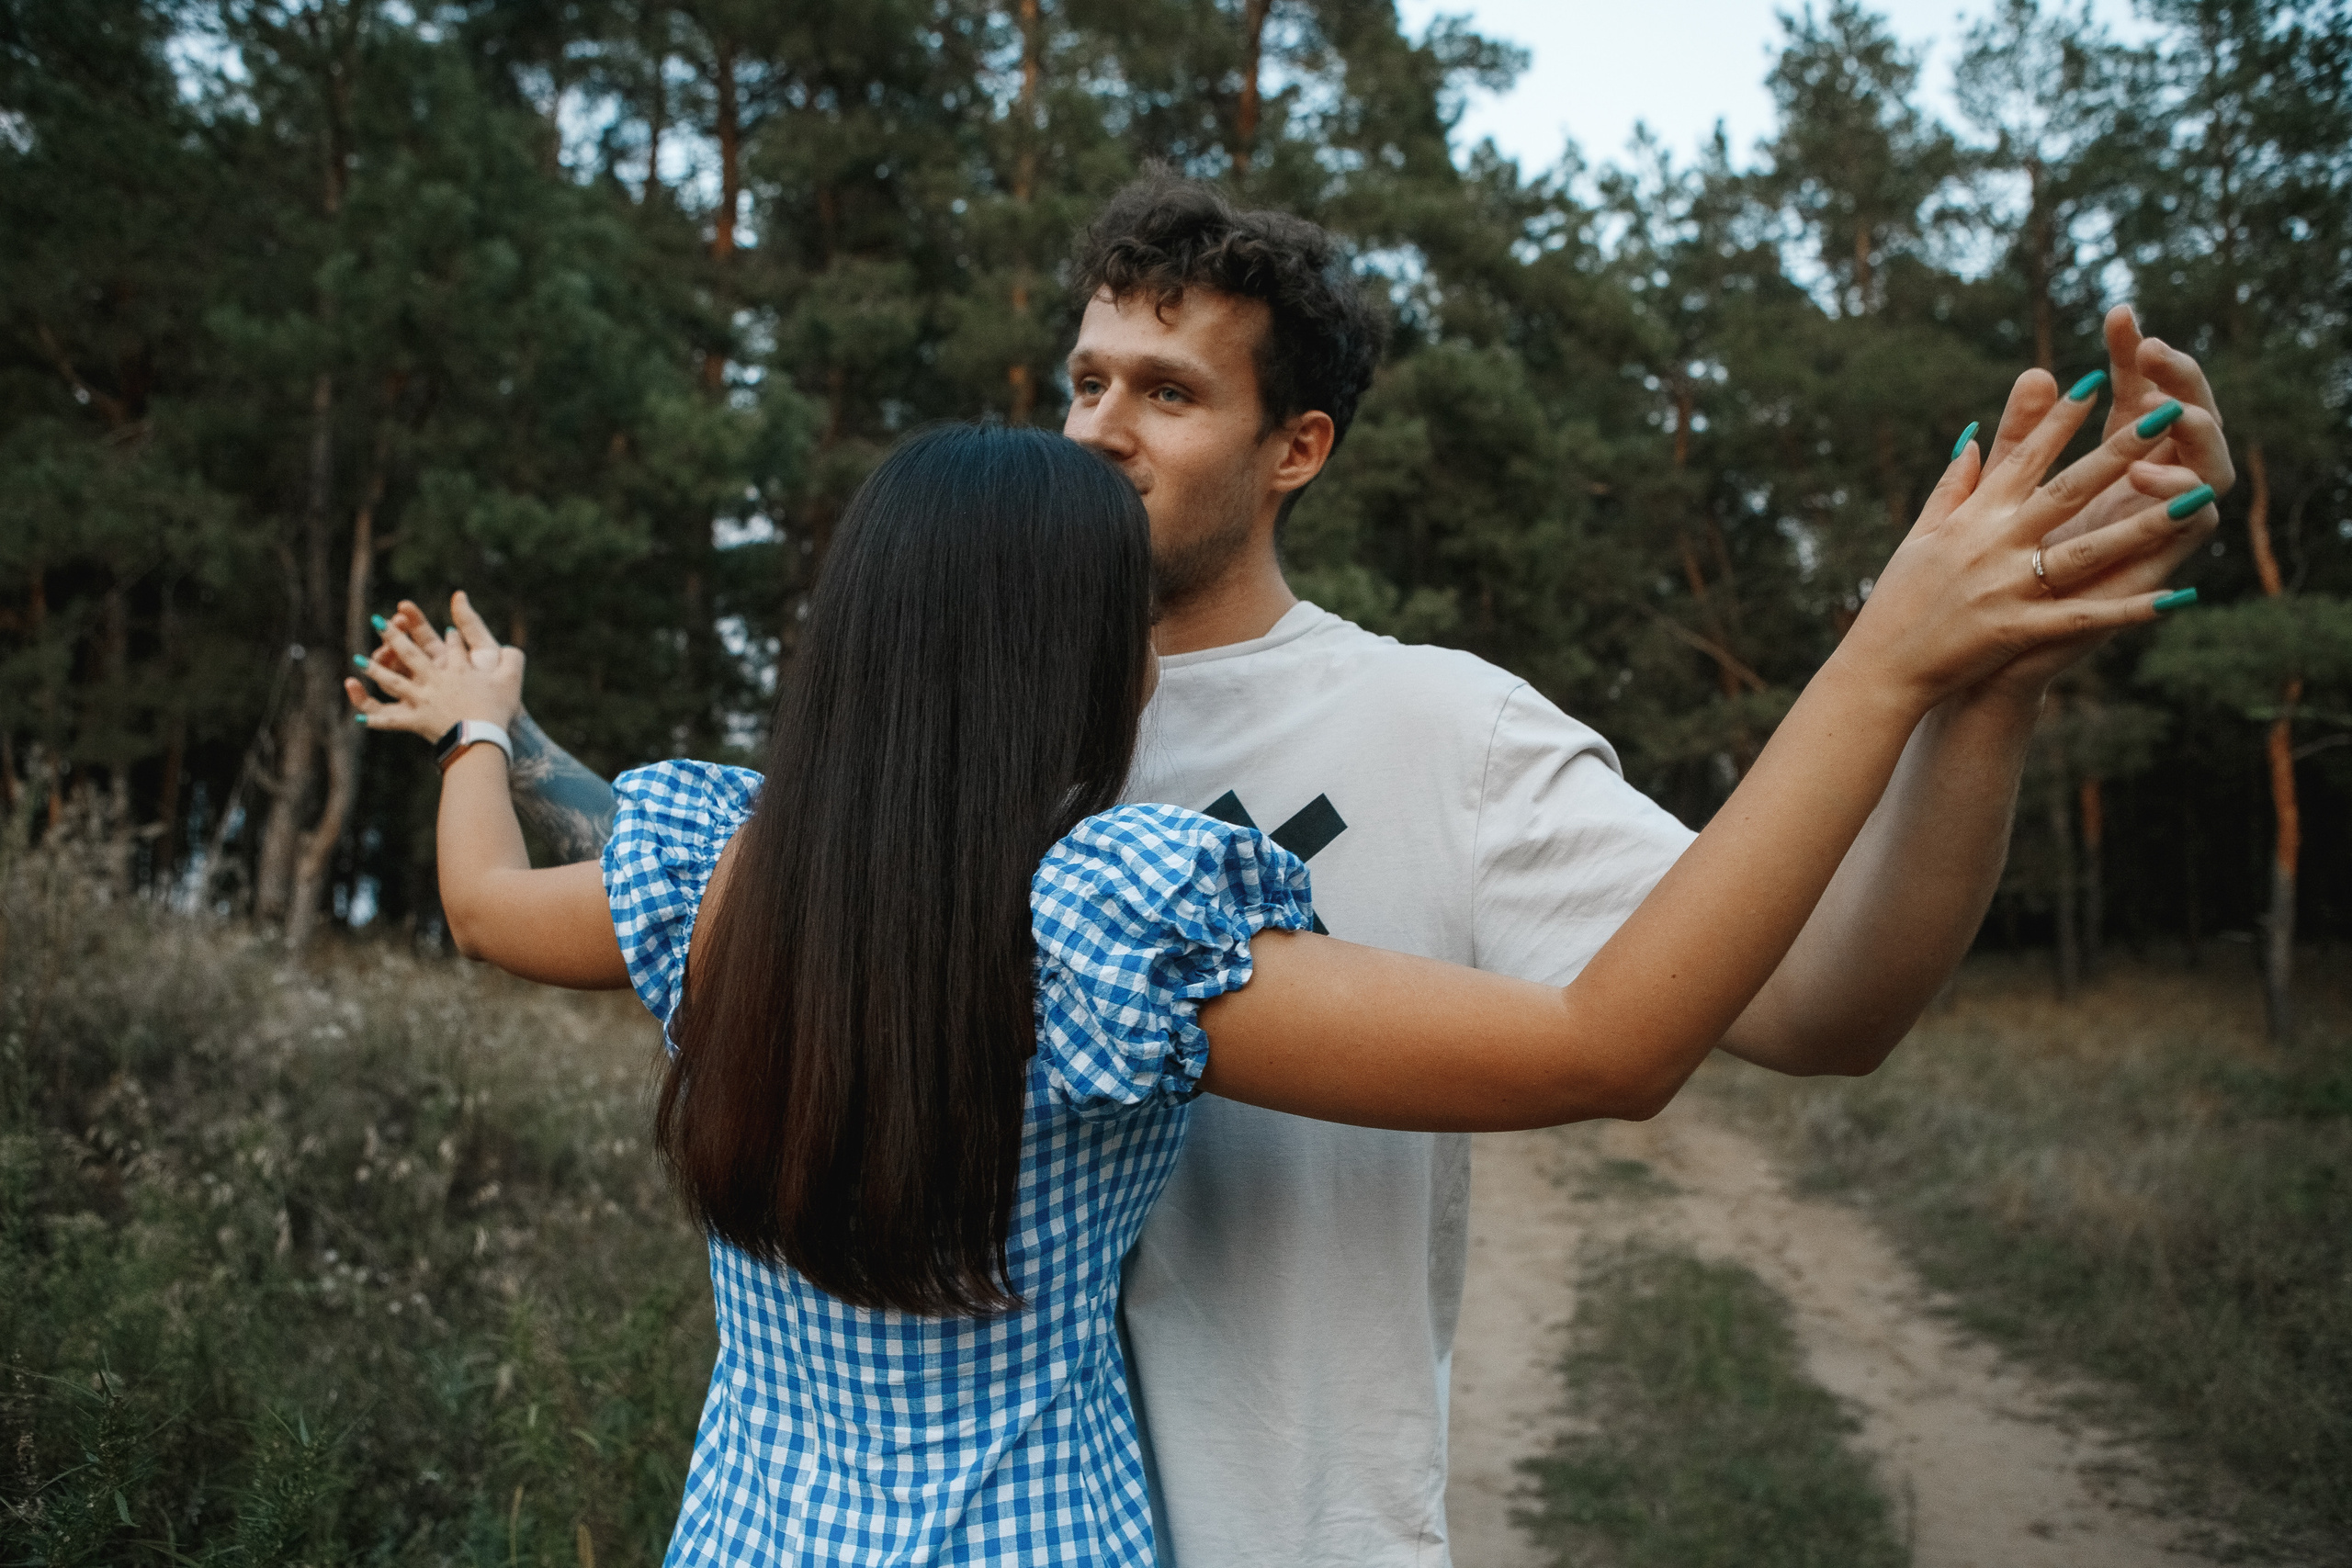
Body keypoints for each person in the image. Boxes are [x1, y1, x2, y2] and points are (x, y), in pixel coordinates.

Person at [361, 176, 2233, 1566]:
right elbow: (728, 867)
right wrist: (508, 739)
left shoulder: (1440, 729)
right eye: (1081, 379)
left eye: (1166, 393)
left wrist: (1974, 691)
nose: (1100, 428)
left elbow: (1821, 1009)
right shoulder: (961, 794)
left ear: (1297, 447)